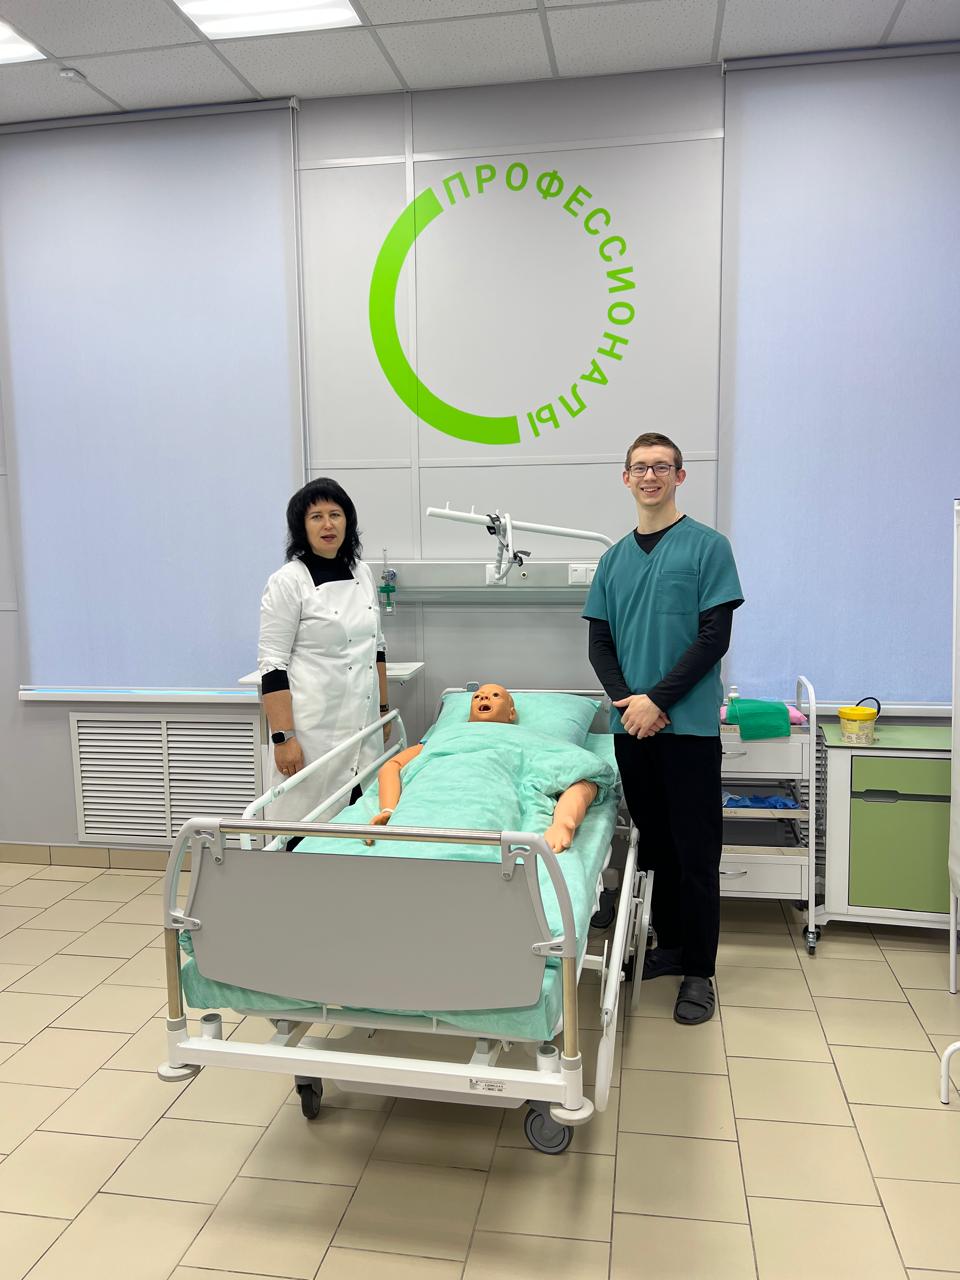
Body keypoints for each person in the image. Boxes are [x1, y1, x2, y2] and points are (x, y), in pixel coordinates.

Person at [584, 433, 743, 1025]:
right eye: (640, 467)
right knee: (655, 845)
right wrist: (629, 703)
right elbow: (600, 642)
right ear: (625, 477)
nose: (650, 476)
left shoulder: (708, 547)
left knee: (697, 852)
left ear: (680, 475)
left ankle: (699, 971)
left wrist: (657, 700)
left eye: (661, 466)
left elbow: (713, 638)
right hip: (633, 728)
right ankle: (670, 946)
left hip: (688, 729)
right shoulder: (613, 561)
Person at [258, 478, 390, 822]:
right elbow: (272, 665)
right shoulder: (289, 580)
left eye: (335, 514)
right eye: (316, 517)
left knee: (363, 821)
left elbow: (377, 647)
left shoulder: (362, 572)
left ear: (348, 520)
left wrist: (383, 710)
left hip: (364, 728)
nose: (328, 524)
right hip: (312, 734)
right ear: (301, 527)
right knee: (305, 825)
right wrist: (283, 737)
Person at [365, 684, 601, 853]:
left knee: (478, 832)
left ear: (511, 713)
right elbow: (393, 765)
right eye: (476, 697)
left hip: (488, 793)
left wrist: (563, 823)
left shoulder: (528, 738)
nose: (483, 698)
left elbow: (585, 778)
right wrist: (389, 810)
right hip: (430, 791)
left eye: (495, 695)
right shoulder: (445, 735)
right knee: (407, 835)